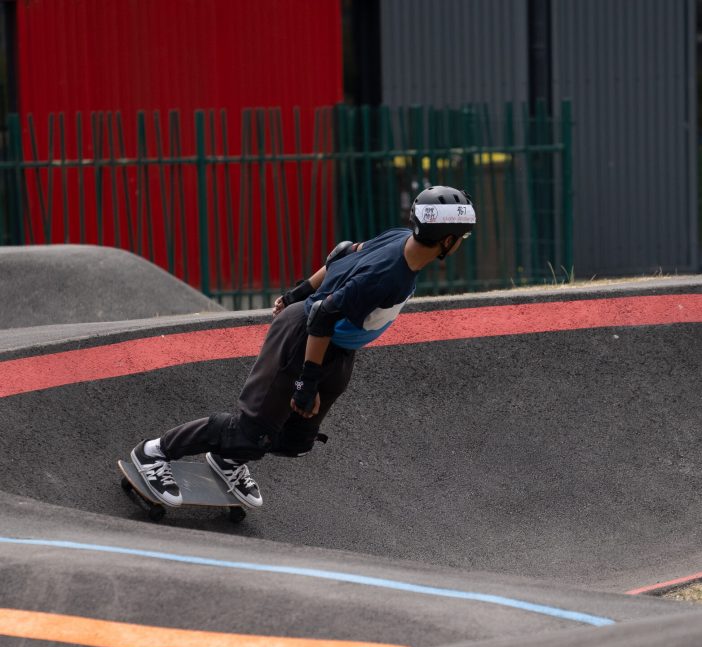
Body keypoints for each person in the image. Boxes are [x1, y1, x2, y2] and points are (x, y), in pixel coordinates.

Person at [129, 185, 477, 507]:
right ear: (446, 241)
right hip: (305, 336)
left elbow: (343, 254)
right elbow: (322, 317)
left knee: (297, 441)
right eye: (461, 237)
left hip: (336, 347)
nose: (462, 242)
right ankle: (155, 452)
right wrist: (307, 381)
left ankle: (229, 457)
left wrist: (298, 291)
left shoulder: (403, 240)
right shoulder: (388, 276)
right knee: (254, 431)